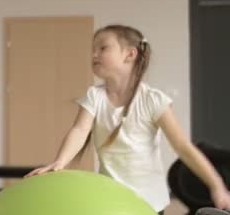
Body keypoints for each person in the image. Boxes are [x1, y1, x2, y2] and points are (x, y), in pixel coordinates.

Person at [27, 24, 230, 214]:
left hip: (148, 201)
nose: (94, 54)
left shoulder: (152, 100)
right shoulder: (94, 96)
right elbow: (79, 130)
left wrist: (217, 186)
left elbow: (183, 147)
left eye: (103, 48)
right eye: (93, 49)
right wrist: (60, 162)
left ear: (130, 54)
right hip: (110, 196)